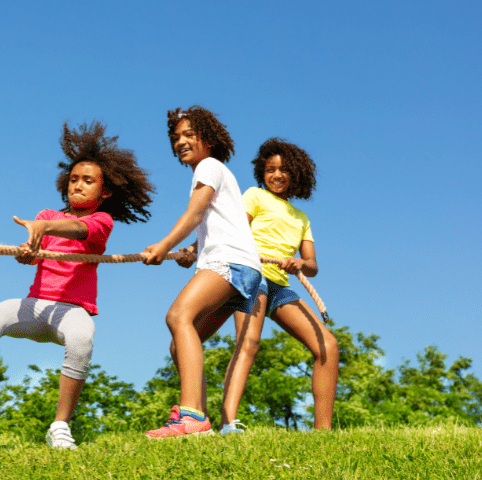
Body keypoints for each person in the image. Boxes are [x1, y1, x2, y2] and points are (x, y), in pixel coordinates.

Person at [0, 121, 154, 449]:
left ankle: (59, 426)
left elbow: (79, 231)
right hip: (37, 307)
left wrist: (46, 226)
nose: (78, 186)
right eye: (73, 180)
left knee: (83, 337)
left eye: (88, 181)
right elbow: (35, 252)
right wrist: (27, 253)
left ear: (105, 191)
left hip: (72, 312)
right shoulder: (46, 215)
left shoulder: (101, 221)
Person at [141, 106, 262, 438]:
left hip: (231, 264)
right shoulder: (219, 172)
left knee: (178, 316)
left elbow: (194, 214)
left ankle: (192, 415)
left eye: (189, 135)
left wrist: (164, 245)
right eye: (176, 137)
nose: (180, 142)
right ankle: (200, 423)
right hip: (242, 269)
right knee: (180, 342)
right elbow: (218, 224)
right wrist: (191, 252)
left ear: (208, 139)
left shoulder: (208, 167)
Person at [214, 138, 337, 434]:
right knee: (249, 342)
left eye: (283, 170)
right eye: (270, 169)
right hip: (252, 276)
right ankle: (228, 423)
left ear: (297, 175)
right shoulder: (255, 196)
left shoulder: (301, 218)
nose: (276, 175)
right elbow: (233, 231)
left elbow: (313, 266)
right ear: (261, 172)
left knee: (328, 346)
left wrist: (298, 264)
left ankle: (324, 432)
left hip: (280, 285)